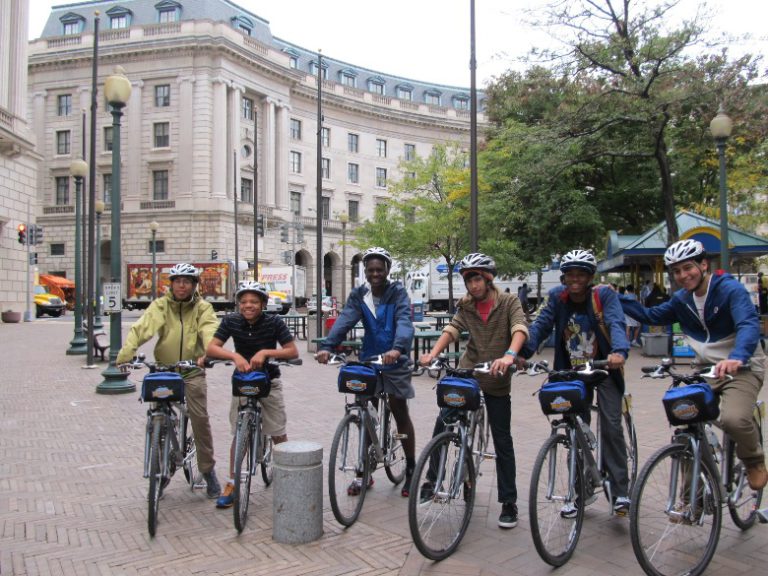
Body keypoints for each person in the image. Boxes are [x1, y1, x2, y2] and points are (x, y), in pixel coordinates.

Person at [621, 239, 767, 490]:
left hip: (742, 367)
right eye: (676, 271)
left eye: (688, 268)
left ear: (703, 265)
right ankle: (693, 497)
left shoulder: (730, 290)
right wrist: (613, 298)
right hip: (706, 369)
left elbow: (747, 324)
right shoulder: (682, 300)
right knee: (684, 415)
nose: (683, 275)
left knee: (733, 419)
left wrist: (738, 356)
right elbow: (651, 316)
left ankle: (754, 460)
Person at [520, 249, 632, 516]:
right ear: (564, 277)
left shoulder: (603, 295)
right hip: (571, 373)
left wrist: (619, 352)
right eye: (570, 274)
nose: (575, 279)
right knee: (573, 429)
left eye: (581, 274)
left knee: (612, 425)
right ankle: (578, 491)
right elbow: (541, 326)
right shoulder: (559, 299)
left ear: (590, 276)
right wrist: (522, 353)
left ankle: (620, 492)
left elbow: (616, 322)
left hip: (604, 369)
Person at [420, 252, 528, 529]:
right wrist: (432, 354)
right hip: (469, 373)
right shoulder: (466, 305)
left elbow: (519, 328)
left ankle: (508, 502)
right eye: (469, 280)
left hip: (497, 376)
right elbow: (453, 330)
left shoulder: (508, 302)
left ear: (488, 278)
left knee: (502, 439)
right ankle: (432, 480)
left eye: (477, 279)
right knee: (444, 418)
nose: (473, 285)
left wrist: (508, 355)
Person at [315, 247, 417, 497]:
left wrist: (398, 348)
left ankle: (412, 467)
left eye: (379, 269)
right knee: (366, 414)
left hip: (395, 359)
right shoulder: (359, 294)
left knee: (398, 408)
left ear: (387, 270)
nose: (374, 274)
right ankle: (364, 471)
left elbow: (404, 322)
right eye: (370, 270)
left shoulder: (398, 293)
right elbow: (345, 319)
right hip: (370, 358)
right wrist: (327, 346)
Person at [116, 263, 222, 498]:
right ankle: (161, 466)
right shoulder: (161, 305)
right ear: (171, 284)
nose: (181, 285)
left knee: (199, 419)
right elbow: (143, 327)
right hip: (165, 369)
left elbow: (210, 330)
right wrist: (126, 353)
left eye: (186, 281)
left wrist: (209, 352)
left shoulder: (203, 308)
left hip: (192, 370)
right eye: (177, 281)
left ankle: (207, 470)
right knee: (158, 414)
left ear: (194, 285)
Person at [205, 280, 299, 508]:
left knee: (278, 432)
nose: (248, 306)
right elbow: (211, 348)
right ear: (238, 304)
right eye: (244, 301)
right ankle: (232, 482)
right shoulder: (231, 321)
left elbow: (292, 350)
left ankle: (288, 479)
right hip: (243, 381)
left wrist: (265, 352)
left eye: (254, 301)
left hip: (269, 381)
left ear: (263, 303)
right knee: (240, 433)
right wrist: (235, 357)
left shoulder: (274, 322)